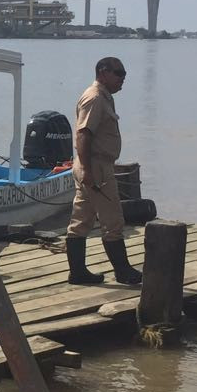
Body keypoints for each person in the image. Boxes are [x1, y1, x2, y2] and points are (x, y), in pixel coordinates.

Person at [66, 56, 142, 285]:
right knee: (113, 220)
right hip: (95, 166)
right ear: (103, 72)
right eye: (119, 73)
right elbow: (83, 134)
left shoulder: (103, 98)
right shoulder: (95, 98)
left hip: (92, 164)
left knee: (81, 220)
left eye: (124, 74)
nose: (123, 79)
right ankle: (123, 271)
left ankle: (78, 273)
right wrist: (89, 170)